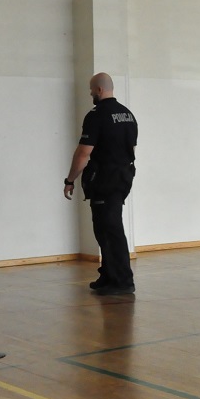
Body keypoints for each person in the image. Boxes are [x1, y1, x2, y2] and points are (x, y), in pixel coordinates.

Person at [64, 73, 139, 296]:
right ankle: (108, 275)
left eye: (91, 89)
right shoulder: (128, 114)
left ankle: (122, 281)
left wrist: (70, 179)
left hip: (105, 179)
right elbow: (131, 148)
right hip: (123, 177)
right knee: (104, 228)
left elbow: (83, 153)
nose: (90, 93)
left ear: (99, 90)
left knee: (110, 229)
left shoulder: (96, 116)